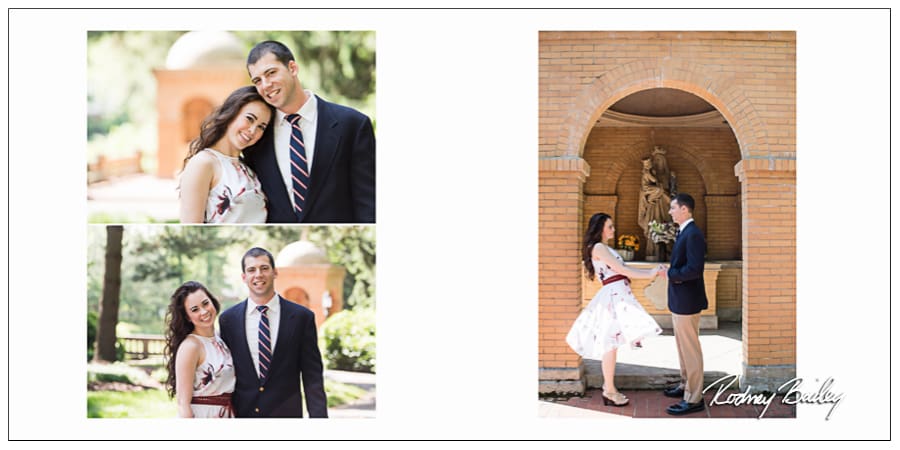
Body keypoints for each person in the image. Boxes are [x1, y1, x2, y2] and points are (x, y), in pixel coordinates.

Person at [244, 40, 376, 223]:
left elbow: (368, 203)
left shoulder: (353, 124)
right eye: (257, 81)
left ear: (292, 68)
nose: (266, 85)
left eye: (271, 73)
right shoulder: (256, 136)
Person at [566, 213, 663, 407]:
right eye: (610, 226)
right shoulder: (599, 247)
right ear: (600, 228)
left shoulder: (602, 247)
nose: (613, 229)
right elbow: (623, 270)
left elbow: (621, 271)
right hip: (614, 296)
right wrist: (651, 273)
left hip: (618, 293)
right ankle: (609, 389)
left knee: (611, 344)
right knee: (609, 344)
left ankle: (609, 388)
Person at [218, 247, 328, 417]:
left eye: (264, 268)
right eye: (251, 270)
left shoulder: (301, 317)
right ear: (244, 277)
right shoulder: (228, 320)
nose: (258, 275)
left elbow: (312, 376)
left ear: (275, 272)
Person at [179, 86, 274, 223]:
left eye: (261, 127)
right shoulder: (204, 163)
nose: (253, 130)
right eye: (249, 119)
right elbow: (190, 226)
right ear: (231, 114)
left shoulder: (249, 170)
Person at [656, 193, 708, 415]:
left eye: (673, 208)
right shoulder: (684, 231)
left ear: (685, 209)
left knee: (690, 349)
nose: (670, 212)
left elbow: (695, 269)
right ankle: (685, 384)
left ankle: (694, 397)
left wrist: (671, 273)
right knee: (682, 347)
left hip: (687, 300)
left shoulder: (693, 234)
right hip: (680, 300)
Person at [164, 281, 235, 418]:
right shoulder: (191, 346)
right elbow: (182, 403)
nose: (204, 311)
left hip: (227, 414)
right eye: (195, 309)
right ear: (187, 317)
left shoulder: (221, 340)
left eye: (205, 303)